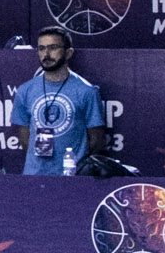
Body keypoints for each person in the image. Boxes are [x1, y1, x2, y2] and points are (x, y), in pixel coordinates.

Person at [15, 29, 105, 175]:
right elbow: (24, 137)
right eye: (42, 48)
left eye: (53, 48)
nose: (46, 54)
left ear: (69, 53)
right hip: (34, 175)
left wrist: (74, 163)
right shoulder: (25, 90)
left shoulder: (86, 91)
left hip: (71, 176)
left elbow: (97, 140)